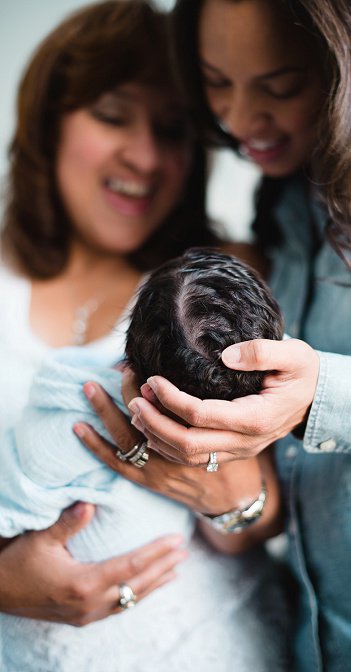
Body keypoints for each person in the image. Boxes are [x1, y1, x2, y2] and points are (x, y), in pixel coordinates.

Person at [76, 0, 351, 670]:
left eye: (280, 87)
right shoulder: (284, 203)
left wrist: (320, 397)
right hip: (313, 642)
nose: (241, 121)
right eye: (216, 82)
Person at [0, 0, 229, 627]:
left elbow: (256, 522)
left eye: (174, 130)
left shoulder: (212, 286)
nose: (146, 157)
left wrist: (235, 500)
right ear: (48, 123)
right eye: (112, 116)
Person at [0, 249, 292, 671]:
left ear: (126, 363)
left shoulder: (61, 418)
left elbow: (265, 525)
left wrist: (228, 492)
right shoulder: (68, 425)